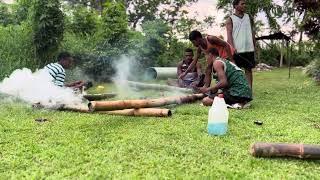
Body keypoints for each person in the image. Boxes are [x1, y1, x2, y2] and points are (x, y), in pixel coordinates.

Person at [226, 0, 256, 88]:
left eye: (245, 3)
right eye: (242, 4)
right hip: (237, 50)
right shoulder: (230, 19)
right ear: (235, 6)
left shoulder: (248, 17)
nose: (244, 5)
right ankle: (237, 89)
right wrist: (232, 48)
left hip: (249, 48)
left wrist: (254, 45)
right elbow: (229, 35)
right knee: (235, 71)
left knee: (248, 70)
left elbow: (252, 32)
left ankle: (249, 90)